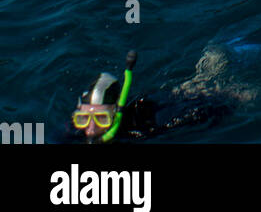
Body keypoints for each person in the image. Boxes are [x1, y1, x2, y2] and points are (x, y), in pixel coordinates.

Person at [68, 51, 232, 143]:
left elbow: (207, 109)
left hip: (173, 101)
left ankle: (212, 66)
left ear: (116, 111)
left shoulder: (144, 124)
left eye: (101, 119)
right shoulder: (75, 132)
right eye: (83, 119)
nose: (90, 129)